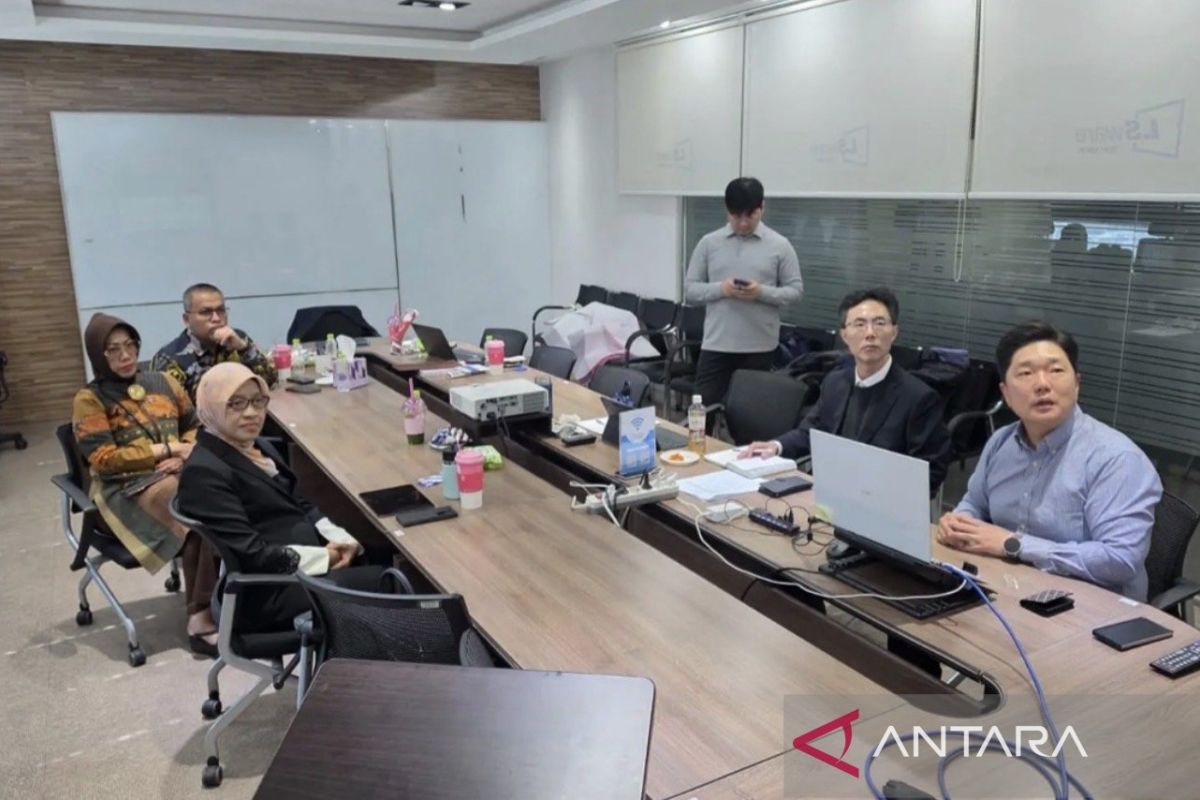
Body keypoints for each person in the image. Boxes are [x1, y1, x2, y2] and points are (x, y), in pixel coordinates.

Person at [937, 322, 1162, 600]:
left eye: (1055, 371)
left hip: (1093, 605)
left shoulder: (1117, 459)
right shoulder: (1001, 443)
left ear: (1077, 384)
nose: (1042, 384)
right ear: (1006, 394)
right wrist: (959, 523)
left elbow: (1120, 560)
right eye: (1026, 373)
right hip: (1008, 587)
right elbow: (975, 503)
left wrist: (1014, 545)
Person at [177, 363, 388, 633]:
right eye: (236, 404)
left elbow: (299, 502)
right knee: (391, 579)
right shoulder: (204, 473)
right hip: (270, 591)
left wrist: (342, 539)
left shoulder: (255, 447)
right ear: (211, 408)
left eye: (258, 401)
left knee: (386, 553)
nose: (251, 413)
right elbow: (253, 555)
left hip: (301, 565)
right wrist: (327, 556)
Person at [72, 313, 219, 655]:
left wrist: (183, 455)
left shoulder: (164, 381)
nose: (125, 355)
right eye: (113, 350)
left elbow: (195, 425)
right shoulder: (89, 399)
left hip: (177, 472)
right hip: (123, 488)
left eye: (130, 345)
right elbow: (105, 459)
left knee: (224, 492)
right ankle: (200, 619)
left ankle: (234, 600)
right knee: (197, 509)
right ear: (97, 355)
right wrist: (166, 450)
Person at [742, 288, 951, 495]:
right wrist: (776, 446)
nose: (870, 333)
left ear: (894, 332)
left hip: (882, 500)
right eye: (859, 324)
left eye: (879, 323)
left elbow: (931, 472)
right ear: (845, 335)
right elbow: (811, 432)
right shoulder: (835, 382)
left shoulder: (918, 398)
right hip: (827, 493)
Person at [684, 177, 803, 425]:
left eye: (750, 215)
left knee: (753, 420)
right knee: (700, 417)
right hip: (717, 344)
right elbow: (690, 291)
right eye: (735, 215)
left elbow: (795, 291)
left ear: (762, 207)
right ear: (726, 210)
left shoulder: (780, 245)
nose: (743, 223)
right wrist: (721, 289)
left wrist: (761, 292)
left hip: (759, 347)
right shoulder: (709, 243)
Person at [150, 283, 277, 401]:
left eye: (221, 310)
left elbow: (270, 381)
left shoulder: (237, 338)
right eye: (206, 312)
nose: (216, 319)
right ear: (187, 320)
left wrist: (243, 348)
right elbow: (165, 411)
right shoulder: (169, 359)